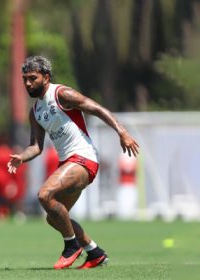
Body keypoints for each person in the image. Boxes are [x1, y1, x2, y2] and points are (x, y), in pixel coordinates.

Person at [7, 56, 139, 269]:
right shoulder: (35, 112)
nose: (28, 83)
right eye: (25, 79)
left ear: (46, 77)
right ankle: (94, 252)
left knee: (44, 194)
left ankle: (71, 246)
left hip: (84, 158)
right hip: (68, 163)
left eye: (33, 78)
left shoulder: (61, 94)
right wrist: (21, 157)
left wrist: (122, 132)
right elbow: (37, 147)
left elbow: (96, 108)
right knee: (55, 217)